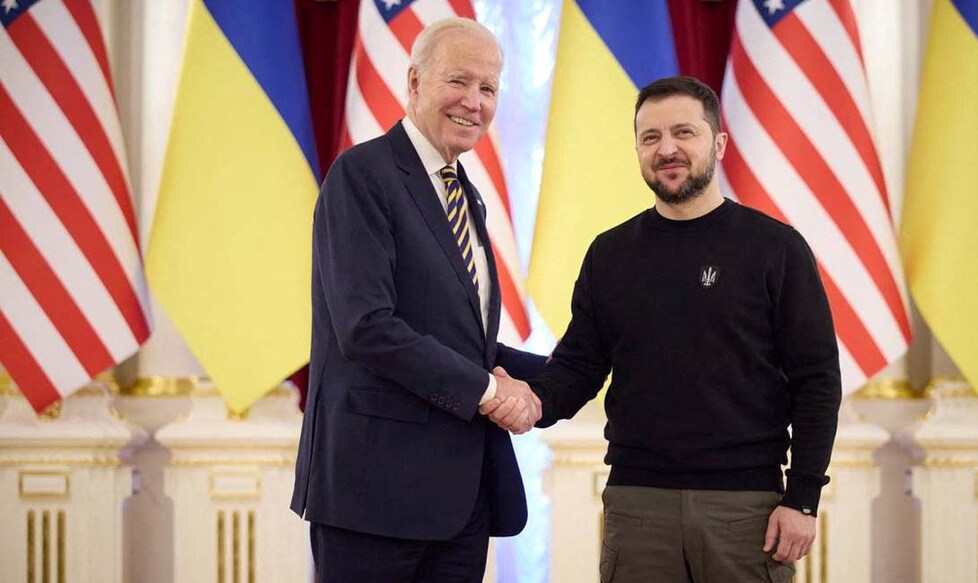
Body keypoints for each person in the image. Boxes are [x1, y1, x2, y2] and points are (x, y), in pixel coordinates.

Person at [522, 76, 842, 582]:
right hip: (637, 504)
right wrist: (526, 401)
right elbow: (579, 367)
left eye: (683, 133)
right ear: (637, 150)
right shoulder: (610, 254)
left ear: (717, 143)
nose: (666, 148)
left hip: (748, 510)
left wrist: (802, 498)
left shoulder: (776, 249)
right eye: (650, 137)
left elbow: (818, 380)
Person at [290, 18, 545, 582]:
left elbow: (461, 341)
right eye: (459, 81)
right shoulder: (362, 175)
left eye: (489, 88)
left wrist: (576, 369)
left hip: (459, 502)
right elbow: (367, 326)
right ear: (414, 81)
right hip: (373, 496)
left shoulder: (466, 195)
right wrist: (489, 392)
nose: (474, 102)